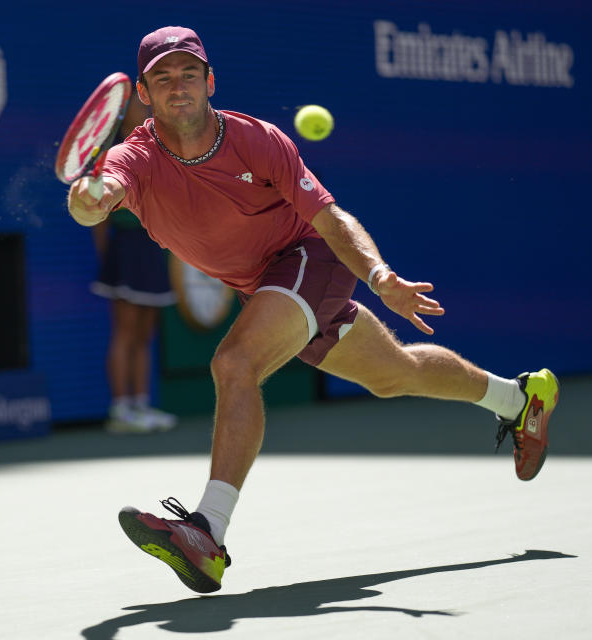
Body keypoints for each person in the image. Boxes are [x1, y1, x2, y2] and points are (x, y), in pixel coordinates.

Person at [67, 26, 559, 594]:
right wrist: (89, 199)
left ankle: (207, 532)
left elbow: (331, 220)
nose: (178, 86)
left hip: (309, 257)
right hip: (267, 286)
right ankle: (521, 398)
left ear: (209, 81)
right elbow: (94, 204)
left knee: (234, 364)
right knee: (395, 375)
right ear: (145, 95)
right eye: (163, 78)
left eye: (189, 74)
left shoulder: (258, 140)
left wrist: (378, 276)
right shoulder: (135, 158)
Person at [90, 90, 178, 434]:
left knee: (145, 332)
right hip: (125, 247)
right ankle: (120, 409)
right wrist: (108, 254)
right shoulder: (112, 153)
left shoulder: (159, 149)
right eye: (141, 105)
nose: (147, 109)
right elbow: (97, 211)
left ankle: (140, 405)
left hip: (152, 246)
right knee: (125, 331)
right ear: (122, 114)